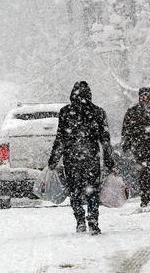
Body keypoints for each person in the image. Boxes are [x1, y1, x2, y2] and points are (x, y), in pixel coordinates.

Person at [48, 81, 114, 235]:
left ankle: (80, 220)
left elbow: (60, 139)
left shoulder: (65, 112)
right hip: (91, 158)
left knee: (75, 190)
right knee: (92, 191)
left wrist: (53, 160)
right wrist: (110, 162)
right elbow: (105, 140)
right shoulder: (98, 112)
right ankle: (93, 219)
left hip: (72, 159)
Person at [121, 87, 150, 208]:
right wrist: (126, 144)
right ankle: (145, 198)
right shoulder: (133, 112)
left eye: (147, 95)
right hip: (140, 148)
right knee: (143, 174)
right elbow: (126, 130)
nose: (145, 98)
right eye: (143, 96)